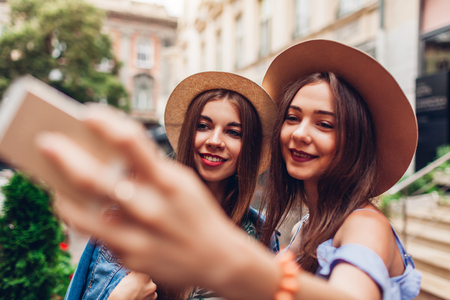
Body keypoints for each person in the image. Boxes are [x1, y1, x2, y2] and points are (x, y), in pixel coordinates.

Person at [39, 40, 421, 300]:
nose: (301, 134)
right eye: (292, 117)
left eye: (325, 124)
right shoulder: (306, 230)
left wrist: (241, 269)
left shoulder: (364, 224)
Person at [62, 71, 279, 300]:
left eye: (233, 132)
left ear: (249, 147)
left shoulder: (262, 235)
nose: (214, 141)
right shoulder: (130, 217)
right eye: (203, 126)